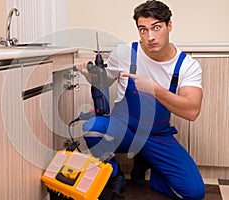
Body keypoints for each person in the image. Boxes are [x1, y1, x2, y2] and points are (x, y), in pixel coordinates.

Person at [76, 0, 205, 199]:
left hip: (156, 135)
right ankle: (115, 175)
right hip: (123, 128)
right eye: (143, 30)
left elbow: (191, 111)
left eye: (156, 27)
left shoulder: (186, 65)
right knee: (92, 126)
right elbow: (104, 81)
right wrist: (88, 73)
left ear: (169, 26)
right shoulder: (125, 52)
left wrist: (155, 90)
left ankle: (149, 161)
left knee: (194, 192)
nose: (150, 37)